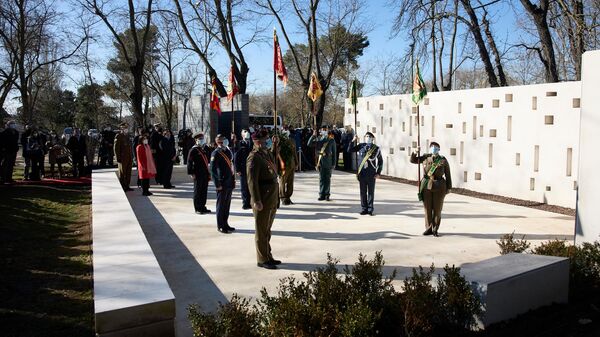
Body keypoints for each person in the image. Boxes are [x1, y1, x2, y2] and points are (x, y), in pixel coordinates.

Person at [247, 130, 281, 270]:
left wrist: (275, 144)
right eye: (265, 139)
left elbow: (273, 159)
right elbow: (251, 181)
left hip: (271, 197)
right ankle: (262, 259)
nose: (267, 141)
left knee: (267, 229)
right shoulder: (253, 157)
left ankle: (268, 255)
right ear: (257, 141)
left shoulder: (264, 153)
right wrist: (256, 200)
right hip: (263, 197)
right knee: (261, 231)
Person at [410, 141, 452, 237]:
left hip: (439, 186)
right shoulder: (425, 157)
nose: (434, 148)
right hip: (426, 186)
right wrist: (415, 152)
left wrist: (449, 187)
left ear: (439, 149)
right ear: (430, 148)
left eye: (436, 147)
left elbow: (448, 174)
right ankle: (428, 228)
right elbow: (413, 160)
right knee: (427, 208)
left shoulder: (443, 160)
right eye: (432, 146)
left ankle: (435, 229)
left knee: (437, 209)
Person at [348, 132, 383, 215]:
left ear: (372, 138)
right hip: (362, 173)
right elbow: (349, 150)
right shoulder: (361, 146)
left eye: (369, 136)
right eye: (366, 136)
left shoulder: (376, 148)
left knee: (371, 192)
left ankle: (370, 209)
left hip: (371, 173)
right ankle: (364, 208)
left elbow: (380, 161)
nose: (367, 138)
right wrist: (353, 141)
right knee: (363, 192)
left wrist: (378, 172)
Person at [210, 134, 236, 234]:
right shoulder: (216, 153)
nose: (225, 140)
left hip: (229, 181)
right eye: (223, 139)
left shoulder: (227, 151)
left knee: (227, 204)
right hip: (222, 182)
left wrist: (233, 181)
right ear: (218, 141)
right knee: (221, 205)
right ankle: (220, 225)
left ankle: (226, 223)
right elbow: (213, 170)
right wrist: (217, 184)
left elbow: (231, 167)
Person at [307, 126, 337, 201]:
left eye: (325, 129)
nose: (324, 131)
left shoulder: (331, 140)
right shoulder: (318, 139)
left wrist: (333, 163)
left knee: (327, 179)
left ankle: (327, 194)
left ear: (327, 130)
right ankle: (321, 194)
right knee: (321, 179)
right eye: (322, 129)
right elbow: (309, 144)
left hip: (328, 161)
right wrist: (313, 135)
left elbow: (334, 152)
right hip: (320, 161)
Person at [187, 131, 212, 214]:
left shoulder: (203, 149)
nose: (202, 140)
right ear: (196, 140)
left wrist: (207, 147)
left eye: (202, 138)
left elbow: (208, 156)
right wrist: (191, 173)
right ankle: (197, 208)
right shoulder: (193, 150)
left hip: (204, 173)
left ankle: (203, 206)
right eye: (200, 139)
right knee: (198, 191)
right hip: (197, 173)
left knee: (204, 190)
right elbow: (189, 162)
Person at [278, 127, 297, 205]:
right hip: (283, 165)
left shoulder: (292, 141)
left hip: (291, 164)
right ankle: (282, 197)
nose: (286, 131)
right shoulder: (280, 141)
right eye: (284, 130)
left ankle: (288, 197)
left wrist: (296, 163)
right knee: (282, 181)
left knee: (290, 181)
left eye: (287, 130)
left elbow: (294, 152)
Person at [234, 129, 253, 209]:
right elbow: (236, 158)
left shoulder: (252, 143)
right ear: (242, 134)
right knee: (244, 186)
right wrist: (237, 169)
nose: (247, 133)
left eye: (247, 132)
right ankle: (245, 202)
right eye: (245, 132)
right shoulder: (239, 144)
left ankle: (251, 202)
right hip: (243, 168)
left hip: (252, 168)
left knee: (251, 185)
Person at [114, 122, 133, 192]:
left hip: (129, 157)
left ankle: (127, 186)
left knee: (128, 172)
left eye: (127, 128)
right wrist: (117, 158)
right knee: (122, 173)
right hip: (122, 158)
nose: (126, 129)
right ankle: (123, 187)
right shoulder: (118, 136)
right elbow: (116, 148)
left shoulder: (128, 136)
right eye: (124, 128)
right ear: (121, 128)